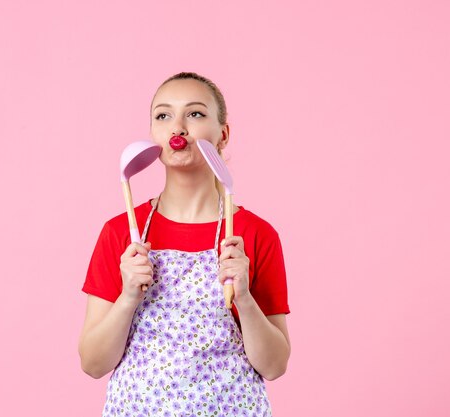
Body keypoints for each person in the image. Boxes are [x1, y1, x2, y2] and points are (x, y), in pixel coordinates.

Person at [78, 72, 291, 416]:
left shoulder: (254, 235)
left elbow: (275, 365)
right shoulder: (121, 233)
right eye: (163, 116)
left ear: (223, 133)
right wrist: (129, 296)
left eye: (195, 114)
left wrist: (245, 299)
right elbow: (93, 363)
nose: (177, 128)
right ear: (153, 135)